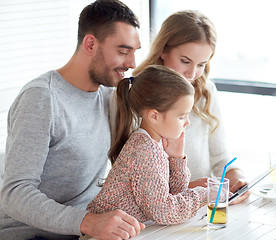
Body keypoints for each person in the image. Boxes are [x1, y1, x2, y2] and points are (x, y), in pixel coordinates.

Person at [0, 1, 145, 239]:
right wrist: (89, 223)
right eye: (123, 51)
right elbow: (15, 193)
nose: (131, 64)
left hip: (83, 232)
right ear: (90, 44)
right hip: (33, 235)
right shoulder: (42, 98)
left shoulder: (108, 95)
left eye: (134, 52)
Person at [131, 10, 251, 203]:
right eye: (185, 61)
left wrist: (236, 176)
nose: (192, 73)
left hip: (198, 209)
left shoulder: (205, 91)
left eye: (201, 64)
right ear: (163, 50)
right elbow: (130, 177)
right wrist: (187, 189)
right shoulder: (135, 93)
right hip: (153, 217)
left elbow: (221, 159)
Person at [87, 65, 207, 224]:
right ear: (154, 116)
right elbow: (164, 212)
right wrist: (203, 195)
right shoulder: (144, 151)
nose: (188, 122)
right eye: (181, 117)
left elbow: (171, 195)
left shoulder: (152, 144)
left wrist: (176, 159)